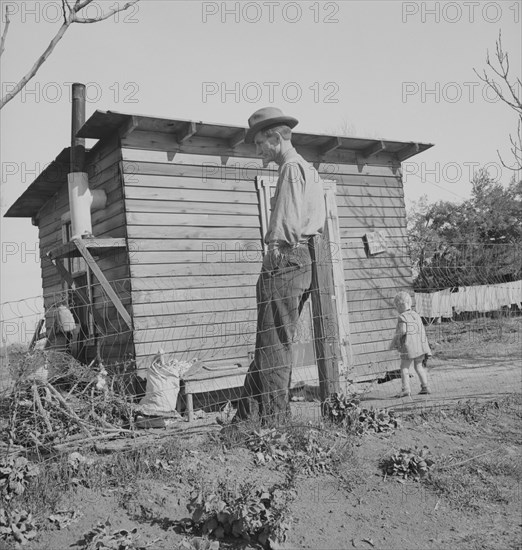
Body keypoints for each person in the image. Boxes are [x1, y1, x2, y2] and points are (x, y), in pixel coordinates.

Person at [231, 107, 326, 426]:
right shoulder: (308, 169)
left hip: (286, 258)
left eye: (260, 143)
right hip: (303, 259)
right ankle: (245, 418)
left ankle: (275, 423)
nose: (257, 150)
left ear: (275, 137)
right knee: (269, 341)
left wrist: (273, 251)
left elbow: (287, 223)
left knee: (272, 344)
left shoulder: (290, 168)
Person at [389, 291, 432, 397]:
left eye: (397, 307)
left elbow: (403, 331)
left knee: (404, 367)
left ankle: (405, 389)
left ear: (400, 305)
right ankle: (425, 386)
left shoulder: (402, 317)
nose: (397, 310)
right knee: (419, 366)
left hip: (408, 347)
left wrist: (395, 340)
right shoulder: (416, 315)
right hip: (420, 347)